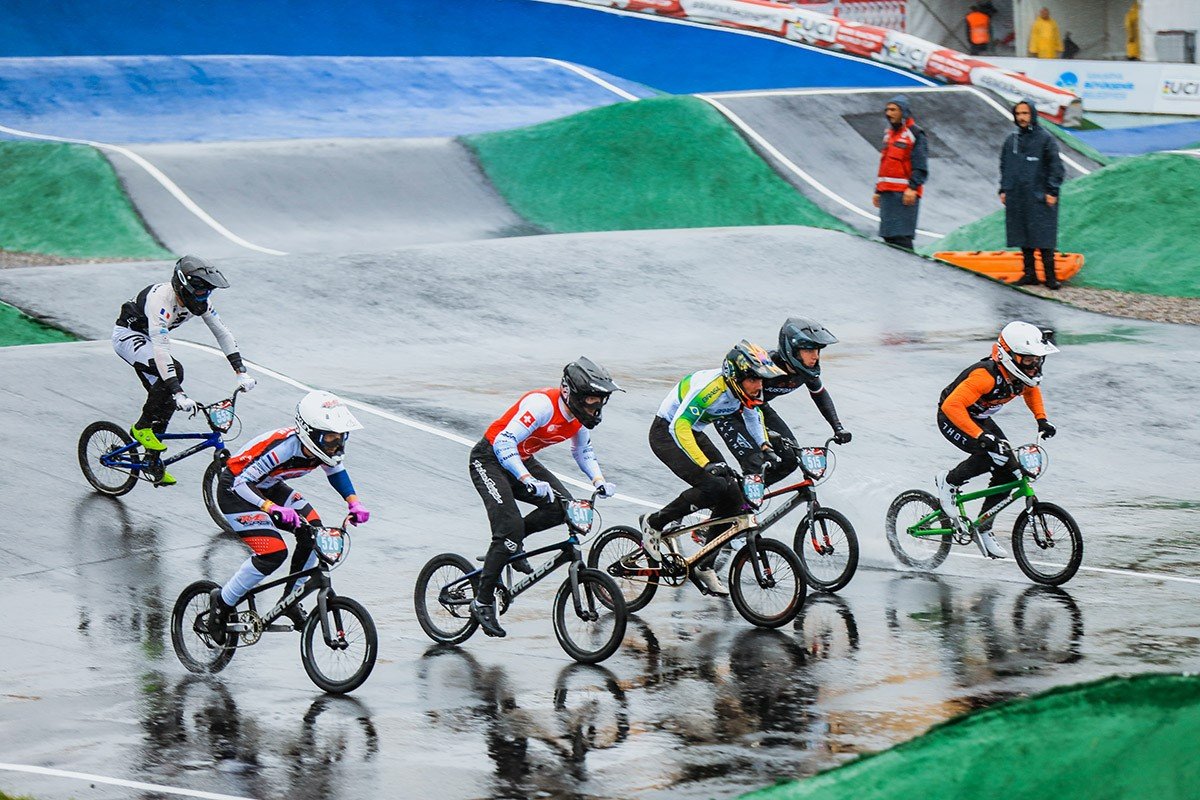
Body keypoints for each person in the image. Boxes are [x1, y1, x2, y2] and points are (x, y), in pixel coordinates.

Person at [468, 358, 622, 638]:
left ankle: (511, 547)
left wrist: (599, 480)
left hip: (521, 460)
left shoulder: (578, 419)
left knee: (564, 508)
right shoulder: (541, 406)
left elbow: (583, 452)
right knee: (508, 528)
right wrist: (527, 479)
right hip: (489, 459)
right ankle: (482, 601)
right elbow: (503, 442)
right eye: (591, 399)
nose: (596, 407)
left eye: (600, 401)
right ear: (570, 393)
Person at [207, 391, 370, 645]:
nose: (336, 445)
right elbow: (241, 484)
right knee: (272, 553)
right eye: (330, 438)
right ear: (310, 433)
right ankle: (222, 602)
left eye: (341, 438)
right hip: (236, 490)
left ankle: (290, 600)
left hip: (268, 485)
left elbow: (337, 472)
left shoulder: (321, 449)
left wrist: (354, 503)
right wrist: (270, 507)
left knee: (315, 531)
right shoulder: (285, 448)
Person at [639, 341, 785, 597]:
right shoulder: (712, 389)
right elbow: (679, 426)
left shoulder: (744, 392)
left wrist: (764, 446)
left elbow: (753, 416)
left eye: (761, 380)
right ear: (737, 377)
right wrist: (706, 464)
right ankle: (654, 522)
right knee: (712, 484)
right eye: (754, 379)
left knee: (733, 494)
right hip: (667, 432)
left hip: (693, 432)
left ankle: (704, 564)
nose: (759, 386)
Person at [113, 255, 256, 485]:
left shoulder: (201, 302)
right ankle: (141, 427)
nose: (204, 297)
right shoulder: (161, 300)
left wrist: (241, 371)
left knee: (167, 398)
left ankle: (152, 462)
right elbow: (160, 348)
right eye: (200, 292)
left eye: (208, 292)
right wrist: (179, 392)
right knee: (174, 375)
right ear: (183, 287)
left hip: (151, 341)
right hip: (129, 336)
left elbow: (222, 333)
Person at [934, 322, 1058, 559]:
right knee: (989, 455)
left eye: (1038, 360)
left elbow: (1031, 391)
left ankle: (983, 527)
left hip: (979, 418)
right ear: (1008, 356)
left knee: (1009, 472)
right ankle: (948, 482)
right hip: (953, 417)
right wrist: (982, 437)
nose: (1035, 366)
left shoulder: (1021, 378)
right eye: (1028, 360)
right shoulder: (985, 377)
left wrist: (1042, 420)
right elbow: (952, 406)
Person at [714, 318, 852, 487]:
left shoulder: (806, 371)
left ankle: (746, 495)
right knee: (756, 462)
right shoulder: (766, 365)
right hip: (732, 412)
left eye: (817, 350)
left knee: (791, 459)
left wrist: (837, 427)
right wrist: (765, 438)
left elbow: (820, 395)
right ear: (792, 350)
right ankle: (737, 502)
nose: (815, 356)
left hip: (759, 408)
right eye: (809, 350)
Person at [1000, 98, 1065, 289]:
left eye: (1025, 113)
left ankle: (1050, 277)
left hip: (1040, 195)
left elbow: (1056, 167)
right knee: (1022, 234)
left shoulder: (1045, 139)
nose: (1021, 117)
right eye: (1018, 114)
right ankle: (1030, 274)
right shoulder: (1011, 140)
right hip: (1017, 194)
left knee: (1044, 237)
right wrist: (1004, 189)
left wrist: (1052, 190)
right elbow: (1005, 166)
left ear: (1033, 114)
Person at [873, 95, 928, 252]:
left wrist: (913, 187)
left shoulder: (915, 134)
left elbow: (920, 164)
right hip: (887, 193)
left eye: (893, 109)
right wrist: (877, 190)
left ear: (903, 112)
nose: (888, 113)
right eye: (887, 110)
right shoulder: (889, 134)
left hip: (904, 194)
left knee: (902, 236)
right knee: (888, 235)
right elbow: (884, 164)